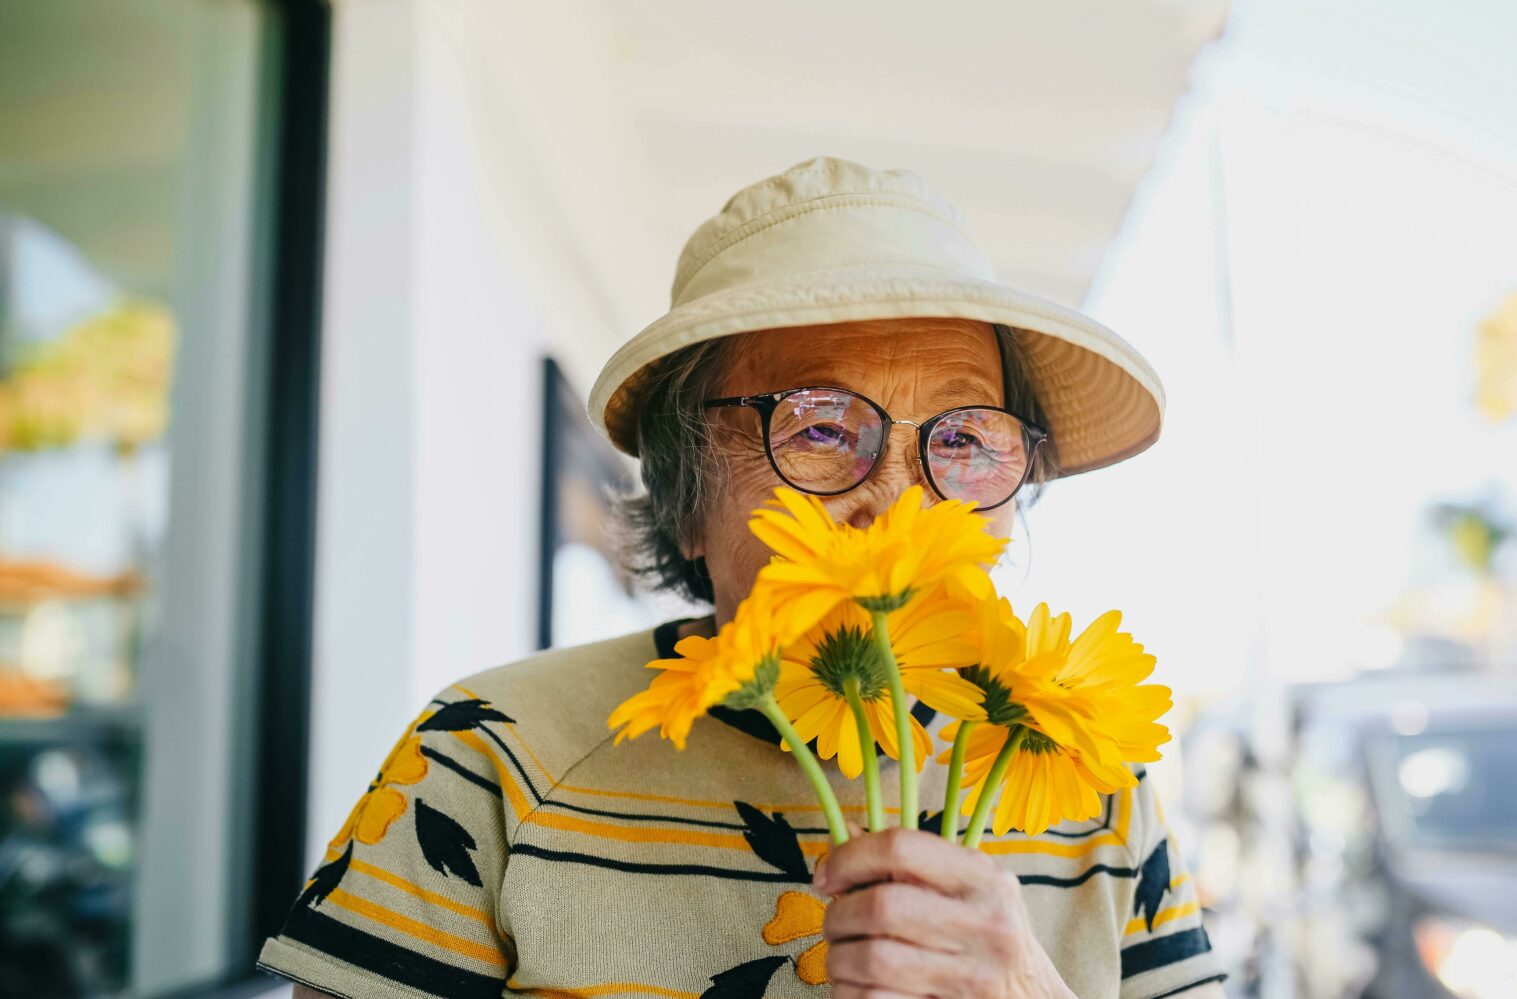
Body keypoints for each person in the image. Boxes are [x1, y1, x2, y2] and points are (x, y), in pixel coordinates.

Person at [259, 156, 1224, 998]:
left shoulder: (1093, 780)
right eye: (818, 428)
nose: (894, 506)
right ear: (686, 496)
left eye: (964, 439)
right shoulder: (491, 756)